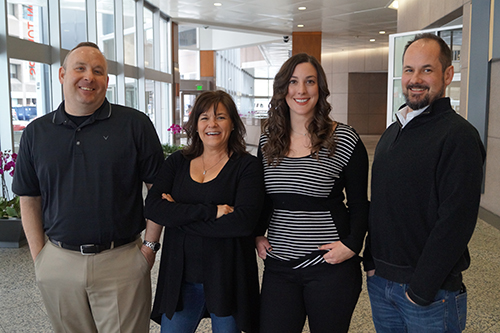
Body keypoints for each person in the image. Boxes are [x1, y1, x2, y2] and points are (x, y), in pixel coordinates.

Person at [12, 42, 164, 333]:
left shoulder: (134, 125)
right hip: (58, 262)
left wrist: (149, 247)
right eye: (80, 68)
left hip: (121, 261)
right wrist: (40, 258)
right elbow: (29, 197)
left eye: (98, 71)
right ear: (61, 74)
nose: (88, 77)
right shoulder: (36, 133)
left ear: (107, 81)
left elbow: (158, 188)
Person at [365, 33, 486, 332]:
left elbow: (456, 221)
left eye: (426, 70)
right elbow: (380, 203)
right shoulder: (393, 132)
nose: (415, 79)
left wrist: (421, 288)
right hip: (382, 283)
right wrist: (371, 260)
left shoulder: (459, 136)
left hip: (430, 294)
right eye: (409, 69)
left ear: (447, 74)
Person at [255, 53, 369, 333]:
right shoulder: (268, 140)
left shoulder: (344, 138)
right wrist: (258, 233)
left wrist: (353, 245)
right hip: (279, 265)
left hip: (330, 265)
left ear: (321, 88)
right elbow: (265, 199)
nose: (301, 90)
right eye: (293, 82)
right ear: (283, 89)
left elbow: (359, 203)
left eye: (310, 81)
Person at [144, 90, 264, 333]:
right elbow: (154, 207)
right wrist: (212, 212)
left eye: (220, 117)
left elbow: (242, 224)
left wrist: (176, 214)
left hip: (228, 277)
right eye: (204, 117)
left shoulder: (247, 166)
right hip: (181, 278)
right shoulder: (177, 162)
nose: (212, 124)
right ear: (195, 124)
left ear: (232, 124)